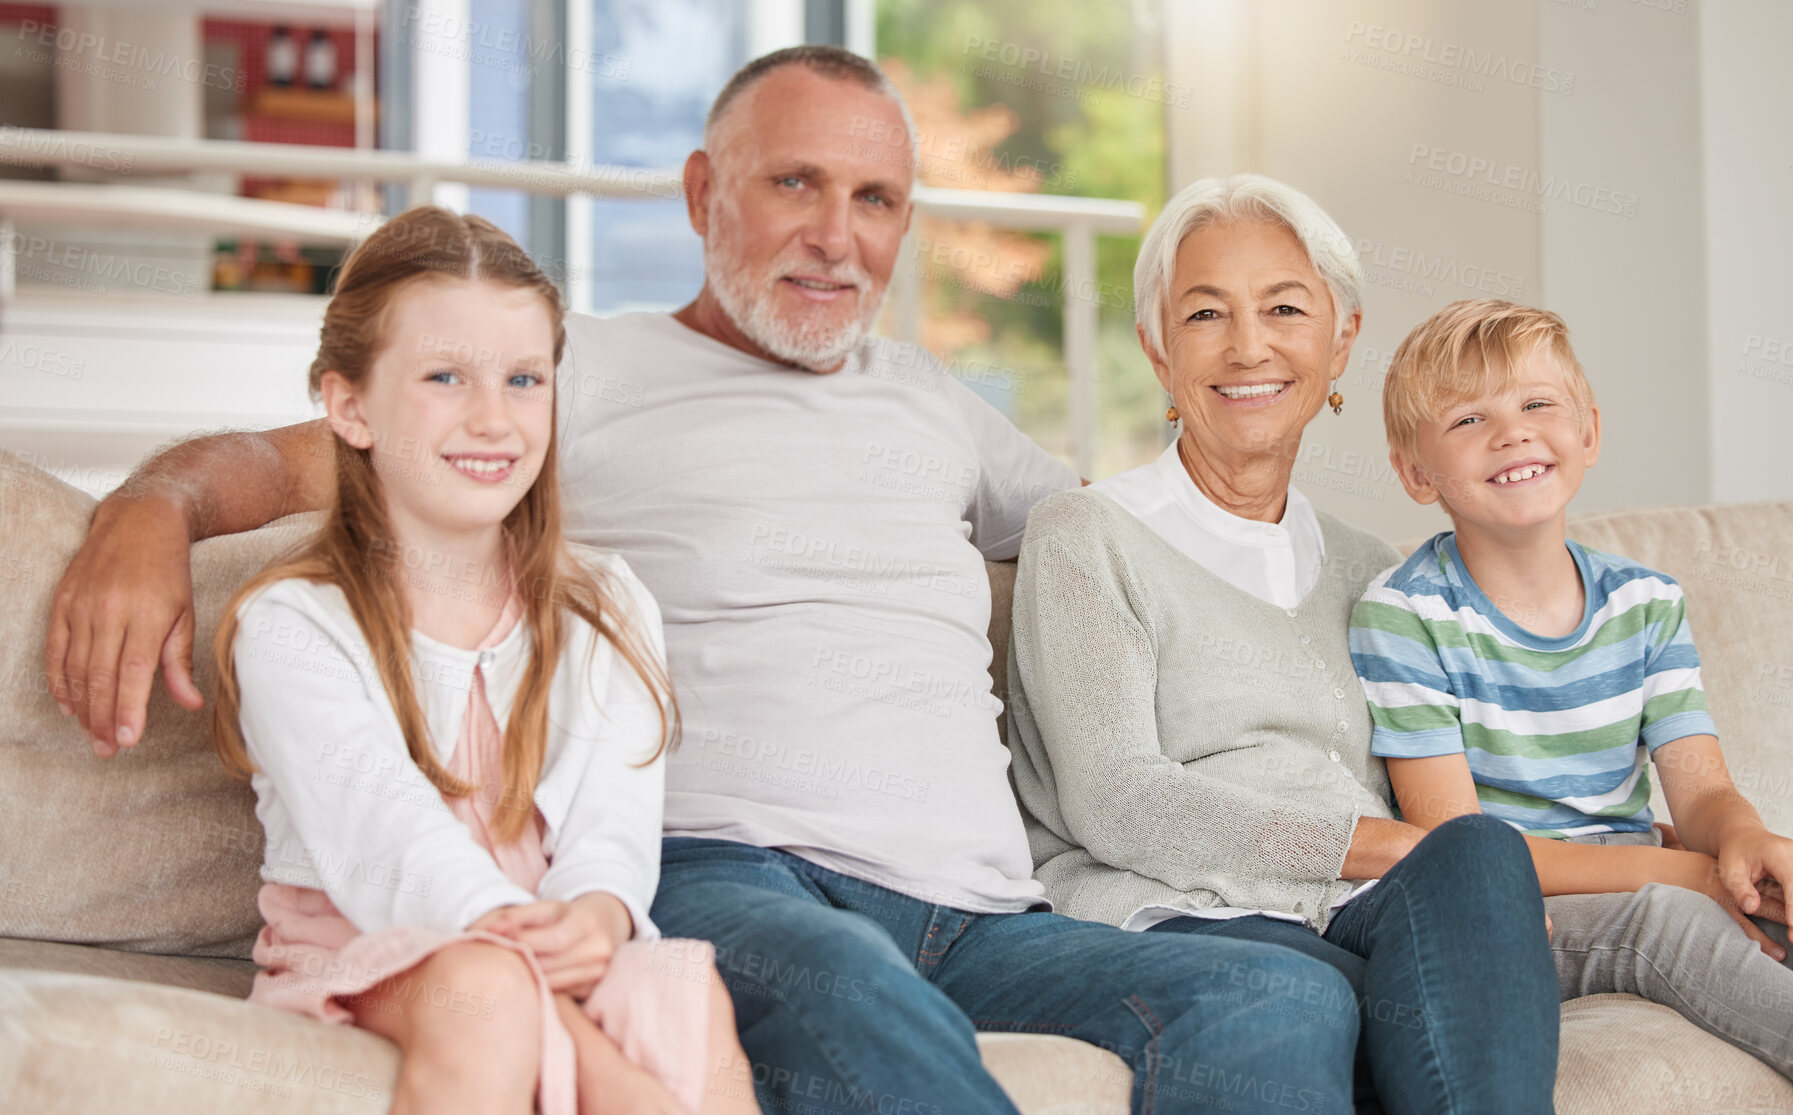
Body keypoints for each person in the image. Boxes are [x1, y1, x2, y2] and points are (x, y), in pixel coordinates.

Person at [45, 47, 1360, 1114]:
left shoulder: (936, 405)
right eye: (795, 183)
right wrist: (151, 505)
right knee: (843, 979)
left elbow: (1139, 539)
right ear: (699, 191)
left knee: (1273, 995)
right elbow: (300, 460)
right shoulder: (570, 373)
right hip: (726, 874)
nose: (836, 239)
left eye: (876, 200)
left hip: (982, 908)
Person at [1004, 175, 1562, 1114]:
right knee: (1334, 997)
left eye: (1284, 308)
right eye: (1205, 313)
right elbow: (1113, 798)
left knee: (1478, 853)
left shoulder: (1372, 568)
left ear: (1340, 339)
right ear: (1156, 348)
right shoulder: (1084, 535)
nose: (1248, 345)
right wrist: (1371, 844)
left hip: (1355, 903)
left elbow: (1437, 789)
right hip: (1170, 909)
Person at [206, 205, 756, 1115]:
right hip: (369, 950)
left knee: (684, 993)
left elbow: (613, 824)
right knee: (486, 991)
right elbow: (386, 843)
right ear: (349, 406)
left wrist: (595, 915)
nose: (493, 418)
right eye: (445, 376)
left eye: (523, 379)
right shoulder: (293, 624)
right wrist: (535, 971)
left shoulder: (607, 604)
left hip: (546, 937)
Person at [1349, 297, 1793, 1078]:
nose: (1511, 432)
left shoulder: (1645, 602)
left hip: (1654, 874)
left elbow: (1699, 792)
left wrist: (1740, 840)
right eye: (1466, 420)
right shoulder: (1404, 615)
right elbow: (1464, 853)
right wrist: (1678, 871)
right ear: (1416, 473)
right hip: (1522, 920)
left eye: (1535, 404)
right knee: (1666, 922)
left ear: (1586, 431)